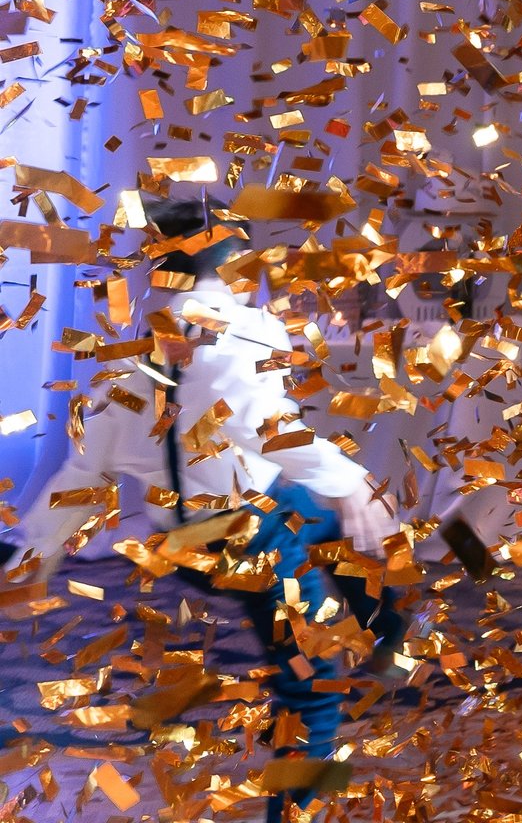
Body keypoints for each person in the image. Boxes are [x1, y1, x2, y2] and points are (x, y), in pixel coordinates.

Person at [1, 198, 404, 821]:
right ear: (236, 258)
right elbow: (266, 429)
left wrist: (31, 553)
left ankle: (386, 628)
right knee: (313, 682)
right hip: (247, 541)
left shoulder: (130, 355)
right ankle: (293, 810)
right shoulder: (243, 336)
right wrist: (352, 482)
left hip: (186, 540)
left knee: (321, 520)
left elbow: (86, 472)